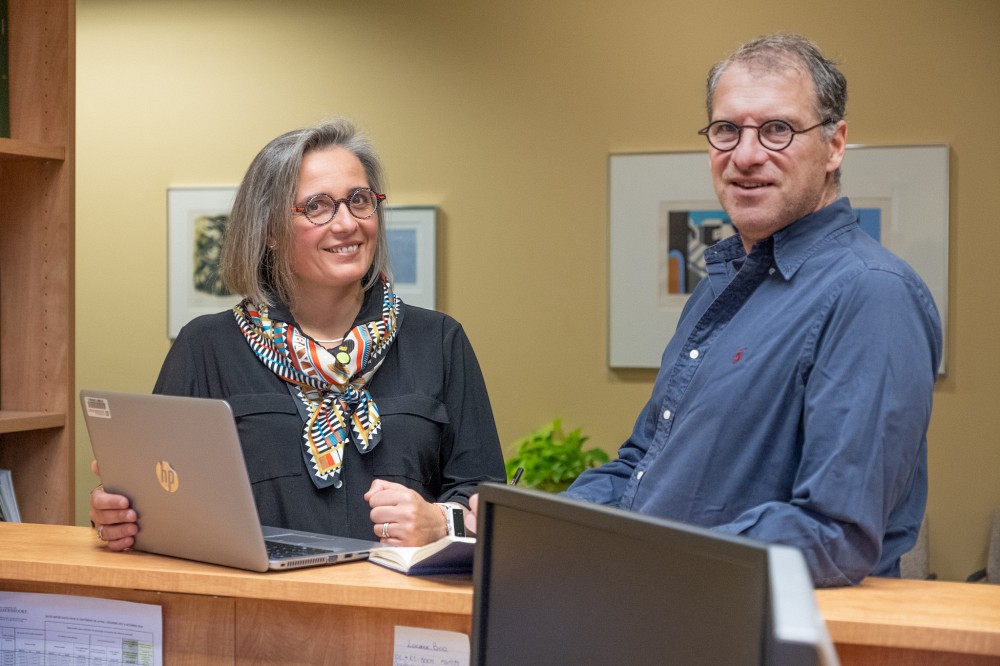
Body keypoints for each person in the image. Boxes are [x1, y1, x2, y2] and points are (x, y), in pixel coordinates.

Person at [562, 34, 943, 587]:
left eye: (777, 129)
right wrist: (534, 523)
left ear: (835, 145)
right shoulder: (719, 287)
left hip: (751, 620)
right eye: (726, 129)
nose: (745, 155)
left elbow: (835, 536)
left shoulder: (872, 293)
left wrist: (653, 558)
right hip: (659, 605)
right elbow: (643, 464)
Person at [90, 119, 506, 550]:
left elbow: (485, 499)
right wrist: (119, 515)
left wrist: (440, 521)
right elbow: (162, 496)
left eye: (359, 200)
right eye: (317, 207)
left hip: (398, 591)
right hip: (257, 592)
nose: (347, 224)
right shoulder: (206, 347)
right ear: (269, 231)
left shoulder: (439, 340)